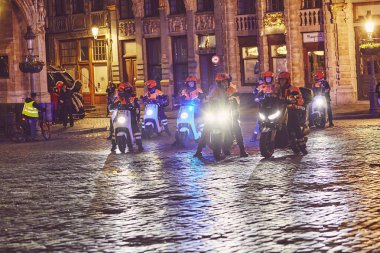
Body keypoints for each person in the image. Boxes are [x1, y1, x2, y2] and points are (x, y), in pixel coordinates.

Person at [194, 73, 248, 158]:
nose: (223, 84)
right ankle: (199, 150)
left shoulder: (232, 90)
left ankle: (242, 150)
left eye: (224, 82)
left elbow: (236, 99)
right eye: (220, 82)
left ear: (228, 81)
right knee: (206, 127)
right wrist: (204, 99)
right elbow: (210, 98)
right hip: (217, 111)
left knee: (236, 126)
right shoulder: (215, 90)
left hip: (230, 111)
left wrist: (234, 100)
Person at [277, 71, 307, 153]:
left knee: (294, 126)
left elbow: (300, 100)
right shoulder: (278, 90)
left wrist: (294, 100)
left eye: (283, 80)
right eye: (280, 80)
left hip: (292, 109)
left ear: (287, 80)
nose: (281, 82)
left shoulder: (294, 89)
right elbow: (274, 97)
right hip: (281, 110)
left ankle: (302, 147)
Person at [111, 82, 144, 152]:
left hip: (130, 115)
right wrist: (111, 106)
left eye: (126, 91)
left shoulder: (133, 99)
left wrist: (134, 108)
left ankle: (140, 145)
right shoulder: (118, 99)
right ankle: (113, 144)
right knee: (113, 126)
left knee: (135, 126)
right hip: (120, 115)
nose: (124, 93)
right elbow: (112, 105)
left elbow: (137, 107)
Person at [172, 75, 205, 146]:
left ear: (194, 83)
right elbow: (179, 97)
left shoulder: (198, 90)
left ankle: (201, 136)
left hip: (195, 108)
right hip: (185, 108)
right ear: (187, 83)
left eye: (192, 82)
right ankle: (177, 137)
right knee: (179, 120)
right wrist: (177, 101)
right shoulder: (183, 90)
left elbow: (202, 97)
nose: (191, 84)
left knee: (199, 119)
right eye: (189, 83)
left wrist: (200, 98)